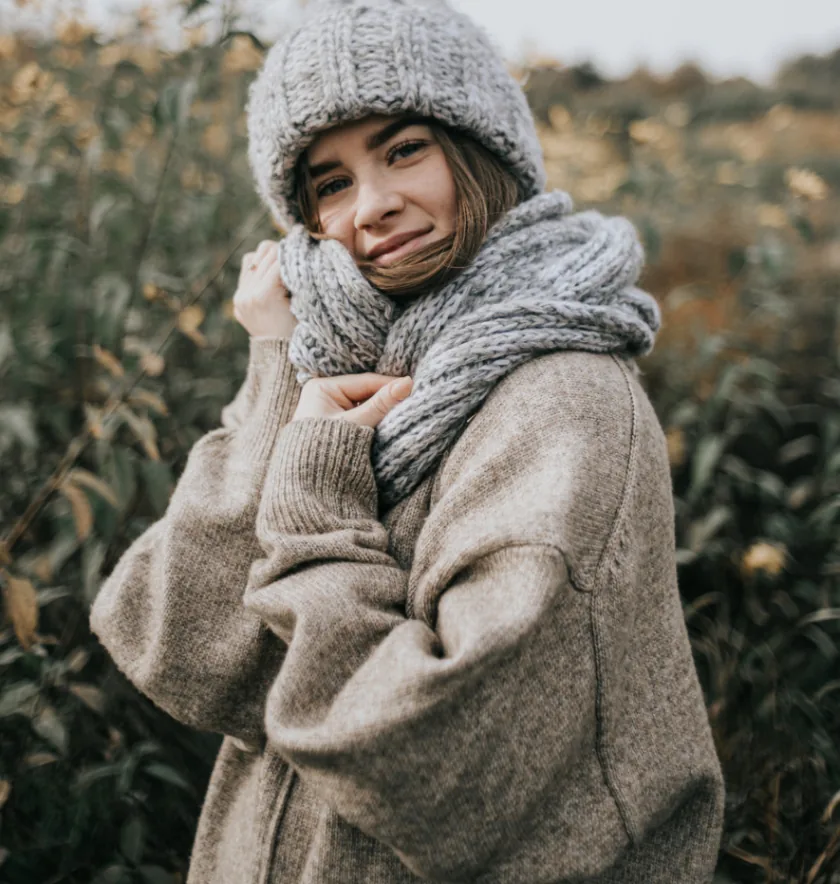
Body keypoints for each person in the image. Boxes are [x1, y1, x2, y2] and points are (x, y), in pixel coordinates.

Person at [89, 0, 725, 881]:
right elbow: (172, 641)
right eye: (331, 182)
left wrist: (314, 510)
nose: (375, 206)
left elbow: (429, 757)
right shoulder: (344, 359)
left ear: (484, 150)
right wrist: (279, 373)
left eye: (403, 150)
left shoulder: (564, 402)